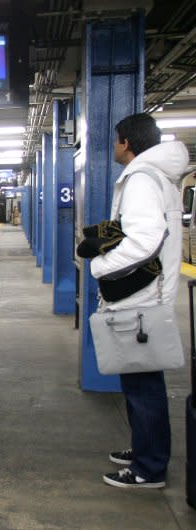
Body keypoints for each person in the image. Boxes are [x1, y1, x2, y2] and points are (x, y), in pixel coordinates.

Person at [89, 113, 188, 489]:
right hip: (148, 296)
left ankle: (149, 468)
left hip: (140, 300)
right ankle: (145, 448)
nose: (114, 146)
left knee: (144, 386)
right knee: (141, 382)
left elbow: (145, 240)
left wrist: (101, 264)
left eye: (116, 140)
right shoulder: (155, 178)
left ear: (126, 142)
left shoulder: (141, 180)